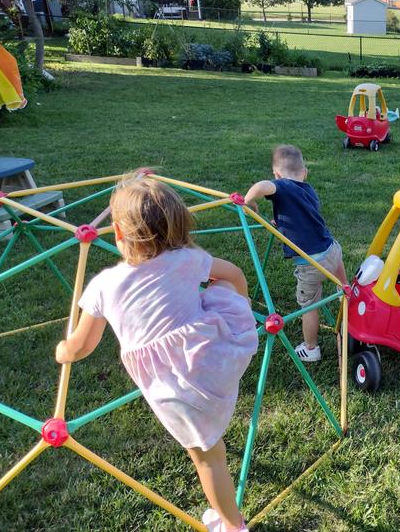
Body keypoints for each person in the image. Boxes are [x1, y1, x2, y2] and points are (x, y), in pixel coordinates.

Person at [55, 175, 257, 532]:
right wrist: (238, 304)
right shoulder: (188, 258)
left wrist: (64, 350)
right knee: (211, 443)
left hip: (174, 385)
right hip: (217, 356)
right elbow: (235, 274)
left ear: (117, 233)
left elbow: (82, 345)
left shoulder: (103, 286)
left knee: (208, 457)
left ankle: (232, 524)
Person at [244, 145, 347, 363]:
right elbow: (300, 216)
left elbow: (262, 186)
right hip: (332, 250)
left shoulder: (280, 186)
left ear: (277, 175)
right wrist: (281, 223)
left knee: (309, 306)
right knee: (335, 256)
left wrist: (249, 200)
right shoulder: (308, 190)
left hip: (312, 262)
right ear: (305, 172)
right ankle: (344, 288)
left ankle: (311, 348)